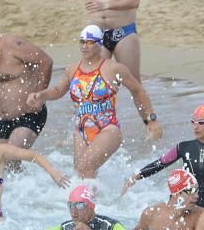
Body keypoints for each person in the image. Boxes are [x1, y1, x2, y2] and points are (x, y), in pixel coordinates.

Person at [27, 25, 161, 178]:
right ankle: (96, 201)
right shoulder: (72, 69)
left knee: (84, 168)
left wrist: (151, 119)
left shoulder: (114, 68)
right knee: (81, 173)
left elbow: (138, 90)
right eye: (82, 42)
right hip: (81, 130)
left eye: (90, 42)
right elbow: (58, 90)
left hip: (108, 129)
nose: (84, 46)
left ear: (99, 44)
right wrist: (40, 95)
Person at [26, 185, 130, 230]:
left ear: (91, 207)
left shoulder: (107, 225)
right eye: (70, 205)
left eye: (79, 206)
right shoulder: (69, 227)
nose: (73, 211)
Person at [124, 169, 204, 230]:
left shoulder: (201, 216)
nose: (196, 196)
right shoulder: (152, 213)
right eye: (191, 191)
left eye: (197, 190)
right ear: (176, 193)